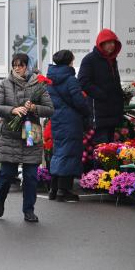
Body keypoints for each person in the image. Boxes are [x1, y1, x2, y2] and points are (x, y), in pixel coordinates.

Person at [0, 53, 54, 223]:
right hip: (10, 134)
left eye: (21, 65)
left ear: (27, 66)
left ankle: (29, 210)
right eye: (15, 65)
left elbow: (50, 109)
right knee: (7, 174)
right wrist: (12, 110)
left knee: (31, 176)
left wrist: (34, 108)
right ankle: (0, 198)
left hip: (30, 132)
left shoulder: (38, 84)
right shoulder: (5, 84)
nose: (17, 68)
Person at [46, 50, 90, 202]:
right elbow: (79, 101)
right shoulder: (70, 79)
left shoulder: (50, 79)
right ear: (69, 61)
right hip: (71, 120)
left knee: (59, 152)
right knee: (69, 153)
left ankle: (53, 189)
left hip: (57, 119)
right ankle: (63, 190)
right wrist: (86, 111)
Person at [78, 28, 123, 144]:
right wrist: (101, 94)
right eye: (108, 42)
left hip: (112, 111)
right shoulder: (90, 60)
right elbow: (83, 82)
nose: (111, 45)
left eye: (113, 42)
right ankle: (97, 163)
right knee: (100, 147)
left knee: (110, 148)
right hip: (98, 111)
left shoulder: (113, 60)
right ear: (101, 44)